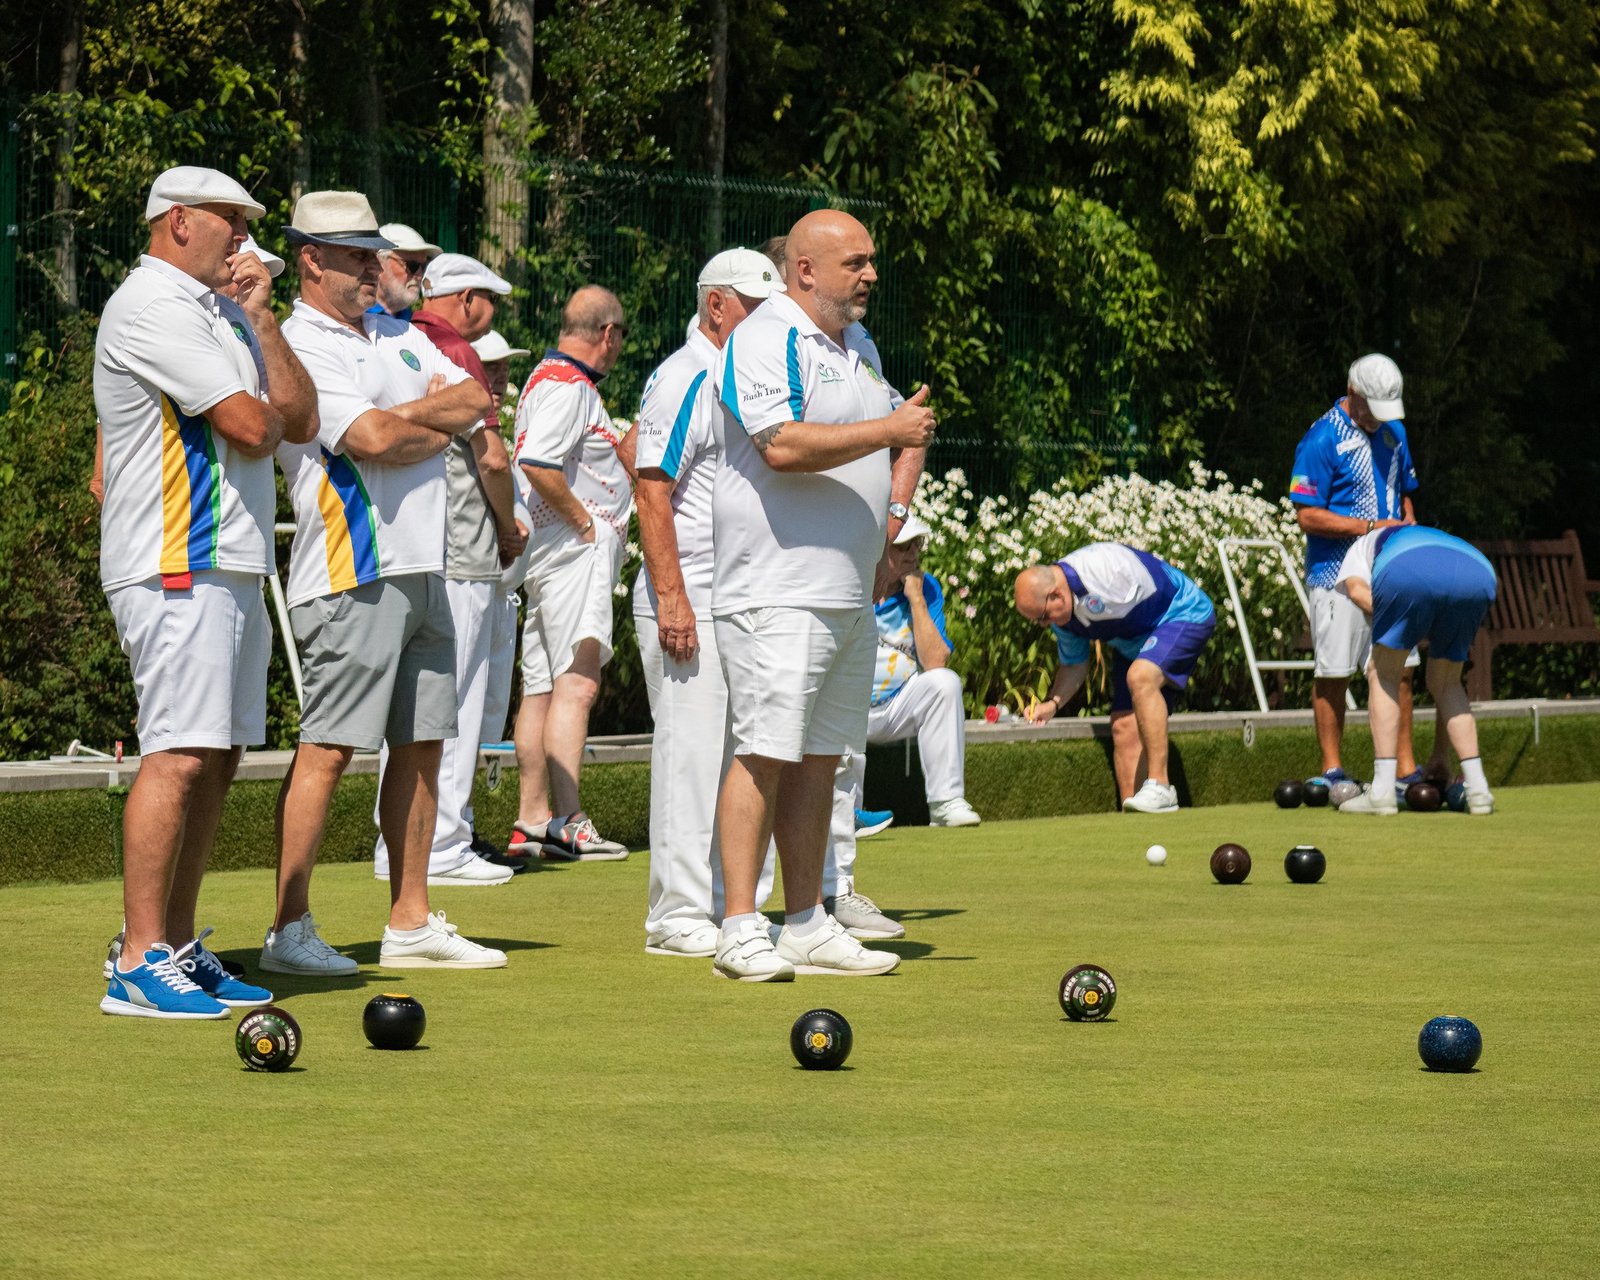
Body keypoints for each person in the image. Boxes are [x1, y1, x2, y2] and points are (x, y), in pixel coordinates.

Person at [95, 166, 318, 1017]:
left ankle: (179, 948)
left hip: (229, 559)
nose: (245, 239)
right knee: (180, 752)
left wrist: (261, 317)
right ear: (179, 221)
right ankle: (138, 957)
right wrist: (262, 404)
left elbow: (299, 419)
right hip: (173, 560)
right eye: (232, 220)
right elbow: (252, 425)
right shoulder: (150, 305)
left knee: (218, 755)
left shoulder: (220, 311)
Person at [267, 190, 506, 973]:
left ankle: (408, 921)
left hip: (424, 568)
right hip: (350, 569)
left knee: (423, 745)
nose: (378, 267)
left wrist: (408, 428)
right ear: (311, 259)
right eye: (358, 256)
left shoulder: (398, 336)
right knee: (329, 750)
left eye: (377, 254)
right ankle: (288, 929)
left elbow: (477, 397)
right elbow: (365, 435)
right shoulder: (302, 343)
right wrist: (422, 429)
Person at [708, 209, 935, 981]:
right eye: (857, 263)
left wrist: (889, 527)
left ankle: (804, 921)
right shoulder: (765, 336)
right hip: (776, 586)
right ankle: (739, 926)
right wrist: (889, 432)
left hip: (844, 593)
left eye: (872, 262)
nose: (871, 275)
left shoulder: (856, 350)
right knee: (764, 752)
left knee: (818, 759)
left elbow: (911, 431)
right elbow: (781, 444)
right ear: (804, 269)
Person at [634, 248, 786, 957]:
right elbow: (651, 486)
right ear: (715, 306)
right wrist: (672, 599)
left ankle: (735, 908)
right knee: (691, 754)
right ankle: (676, 913)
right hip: (687, 592)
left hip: (737, 595)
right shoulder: (685, 375)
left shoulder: (739, 374)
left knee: (737, 753)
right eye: (756, 307)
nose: (768, 320)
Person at [371, 253, 528, 884]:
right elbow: (491, 459)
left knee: (415, 709)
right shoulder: (455, 352)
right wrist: (510, 527)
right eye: (488, 301)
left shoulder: (395, 338)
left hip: (412, 546)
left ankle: (402, 850)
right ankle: (445, 843)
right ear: (466, 301)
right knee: (454, 700)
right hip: (462, 547)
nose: (490, 316)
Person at [506, 286, 636, 862]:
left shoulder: (546, 378)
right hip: (570, 551)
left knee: (540, 687)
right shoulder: (572, 387)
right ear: (608, 334)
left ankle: (532, 821)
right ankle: (568, 819)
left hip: (550, 554)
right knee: (577, 686)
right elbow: (538, 462)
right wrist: (586, 524)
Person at [1291, 353, 1422, 796]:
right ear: (1353, 393)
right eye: (1372, 409)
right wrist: (1370, 528)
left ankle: (1404, 770)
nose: (1379, 420)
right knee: (1335, 671)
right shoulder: (1321, 437)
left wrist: (1405, 524)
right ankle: (1332, 770)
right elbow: (1307, 516)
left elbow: (1404, 497)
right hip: (1334, 573)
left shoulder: (1394, 432)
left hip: (1389, 572)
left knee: (1400, 669)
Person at [1014, 543, 1216, 813]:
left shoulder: (1107, 573)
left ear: (1057, 596)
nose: (1044, 624)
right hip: (1133, 641)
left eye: (1042, 617)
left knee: (1141, 677)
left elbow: (1150, 596)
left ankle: (1161, 786)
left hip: (1184, 613)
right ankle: (1132, 819)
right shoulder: (1062, 617)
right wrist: (1052, 704)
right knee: (1124, 728)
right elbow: (1074, 666)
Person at [1333, 526, 1498, 815]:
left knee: (1382, 673)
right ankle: (1478, 790)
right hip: (1477, 571)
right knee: (1446, 682)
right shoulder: (1424, 534)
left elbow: (1358, 591)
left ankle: (1382, 791)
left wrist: (1401, 622)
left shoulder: (1357, 549)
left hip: (1407, 570)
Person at [371, 223, 441, 320]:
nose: (420, 275)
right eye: (412, 265)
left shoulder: (412, 322)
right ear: (379, 263)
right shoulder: (356, 317)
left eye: (424, 266)